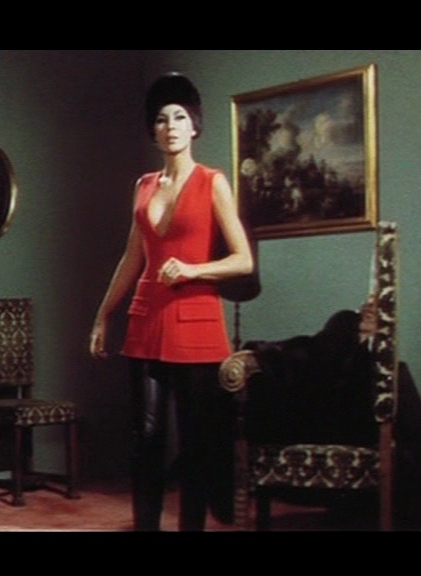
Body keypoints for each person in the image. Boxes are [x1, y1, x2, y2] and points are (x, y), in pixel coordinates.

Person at [89, 73, 254, 531]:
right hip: (146, 320)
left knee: (196, 442)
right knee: (145, 436)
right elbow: (132, 257)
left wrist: (192, 270)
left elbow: (242, 260)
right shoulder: (143, 185)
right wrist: (103, 315)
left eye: (180, 117)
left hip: (197, 322)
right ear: (154, 130)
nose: (171, 126)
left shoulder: (212, 182)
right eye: (162, 119)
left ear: (195, 125)